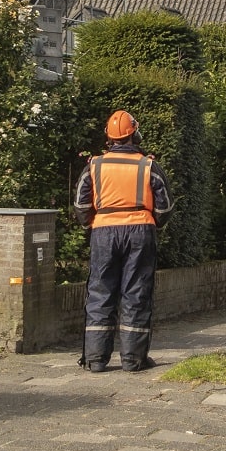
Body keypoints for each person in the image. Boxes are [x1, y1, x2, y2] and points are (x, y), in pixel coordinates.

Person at [73, 110, 172, 372]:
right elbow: (164, 208)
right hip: (140, 231)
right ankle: (133, 359)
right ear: (134, 134)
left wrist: (92, 225)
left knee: (100, 293)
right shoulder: (148, 166)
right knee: (136, 293)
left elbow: (81, 205)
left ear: (109, 137)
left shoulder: (94, 165)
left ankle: (95, 360)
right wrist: (152, 224)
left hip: (104, 232)